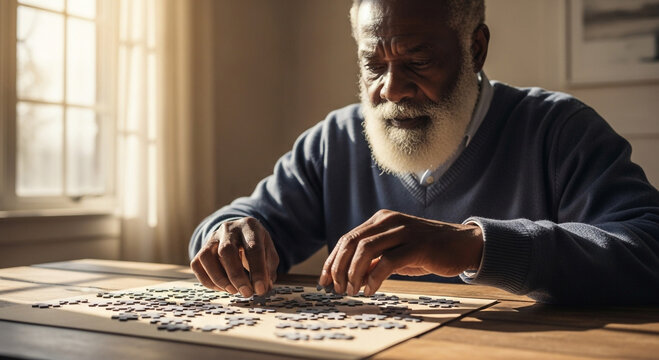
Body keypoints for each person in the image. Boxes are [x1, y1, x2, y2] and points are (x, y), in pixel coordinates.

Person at [189, 0, 659, 305]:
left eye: (417, 61)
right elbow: (248, 223)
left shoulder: (559, 130)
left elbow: (648, 251)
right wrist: (226, 236)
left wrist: (475, 247)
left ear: (475, 49)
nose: (391, 89)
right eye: (374, 65)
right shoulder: (336, 140)